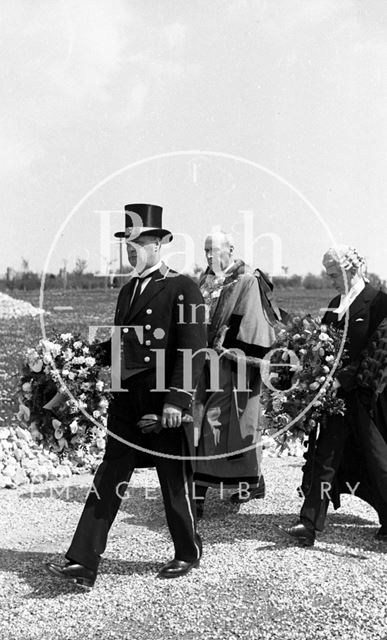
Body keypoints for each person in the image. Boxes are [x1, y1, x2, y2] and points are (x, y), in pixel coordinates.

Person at [46, 203, 206, 586]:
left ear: (160, 243)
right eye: (127, 242)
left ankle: (188, 551)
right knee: (110, 474)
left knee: (173, 479)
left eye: (138, 241)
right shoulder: (128, 290)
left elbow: (194, 349)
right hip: (126, 400)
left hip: (161, 400)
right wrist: (76, 357)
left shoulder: (183, 287)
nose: (131, 248)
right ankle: (83, 561)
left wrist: (176, 401)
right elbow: (122, 343)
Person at [279, 245, 387, 546]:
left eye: (332, 274)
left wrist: (342, 379)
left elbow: (377, 352)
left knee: (378, 460)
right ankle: (309, 522)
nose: (330, 280)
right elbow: (320, 347)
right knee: (324, 454)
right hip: (333, 398)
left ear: (350, 269)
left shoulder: (379, 303)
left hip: (366, 399)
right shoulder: (333, 304)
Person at [193, 231, 281, 517]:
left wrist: (233, 353)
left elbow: (253, 322)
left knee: (220, 421)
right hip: (203, 362)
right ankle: (253, 481)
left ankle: (199, 491)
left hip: (232, 364)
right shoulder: (204, 281)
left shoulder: (246, 279)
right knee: (206, 419)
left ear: (230, 249)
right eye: (205, 250)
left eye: (214, 250)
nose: (209, 255)